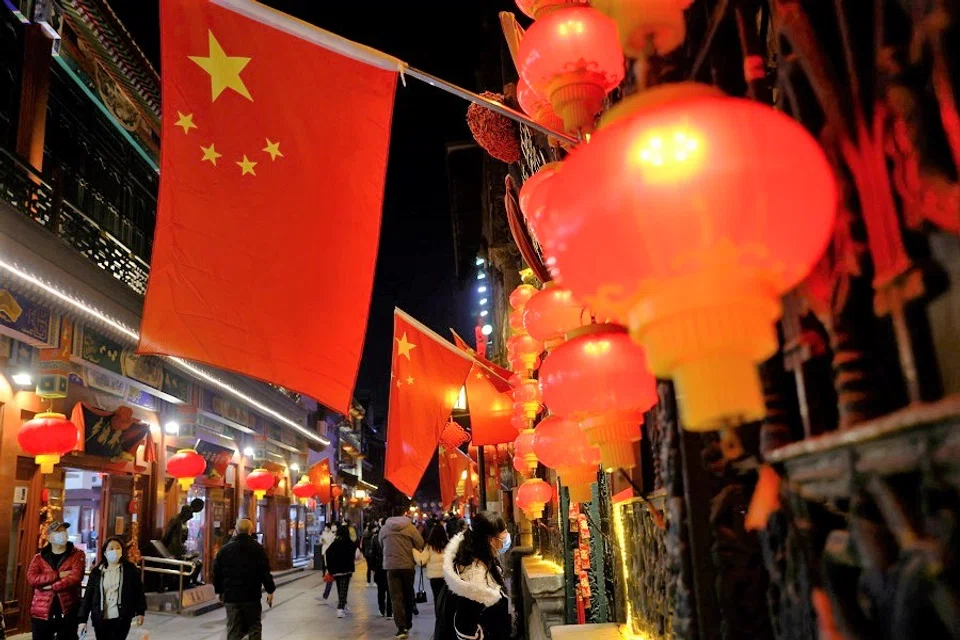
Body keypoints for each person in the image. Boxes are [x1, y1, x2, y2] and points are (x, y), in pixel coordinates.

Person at [436, 512, 511, 640]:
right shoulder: (475, 578)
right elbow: (465, 628)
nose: (507, 537)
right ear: (491, 540)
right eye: (503, 534)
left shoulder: (479, 559)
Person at [213, 519, 276, 640]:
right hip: (251, 596)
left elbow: (217, 573)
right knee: (254, 627)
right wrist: (270, 591)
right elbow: (265, 572)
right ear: (250, 531)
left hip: (231, 597)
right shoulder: (258, 549)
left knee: (233, 628)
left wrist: (219, 591)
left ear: (236, 530)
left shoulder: (224, 550)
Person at [77, 537, 146, 640]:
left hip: (122, 618)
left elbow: (139, 592)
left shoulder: (130, 570)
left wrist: (140, 612)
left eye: (118, 548)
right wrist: (82, 620)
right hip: (100, 619)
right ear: (105, 553)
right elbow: (88, 597)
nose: (115, 551)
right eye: (111, 548)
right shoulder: (96, 573)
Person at [28, 521, 86, 640]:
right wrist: (58, 574)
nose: (63, 534)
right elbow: (32, 578)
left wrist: (50, 586)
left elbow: (75, 578)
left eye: (64, 531)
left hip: (68, 611)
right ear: (49, 537)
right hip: (42, 612)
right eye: (58, 532)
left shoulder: (77, 555)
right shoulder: (39, 558)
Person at [379, 504, 424, 639]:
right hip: (407, 565)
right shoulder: (410, 527)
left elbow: (380, 544)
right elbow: (420, 543)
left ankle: (401, 627)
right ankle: (408, 622)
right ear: (404, 514)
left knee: (395, 597)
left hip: (391, 566)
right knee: (408, 594)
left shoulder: (384, 528)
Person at [323, 525, 356, 619]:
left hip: (336, 570)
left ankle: (343, 604)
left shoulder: (335, 543)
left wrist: (330, 568)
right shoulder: (349, 543)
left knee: (339, 588)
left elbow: (328, 553)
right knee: (344, 589)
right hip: (346, 570)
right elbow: (353, 553)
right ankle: (340, 608)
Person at [414, 525, 449, 603]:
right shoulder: (448, 545)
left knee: (437, 598)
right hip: (447, 576)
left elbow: (421, 561)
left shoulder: (429, 547)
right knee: (446, 600)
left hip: (434, 577)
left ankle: (438, 614)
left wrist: (414, 551)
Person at [368, 526, 392, 618]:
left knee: (381, 590)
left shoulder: (375, 538)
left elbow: (372, 555)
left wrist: (373, 568)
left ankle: (382, 610)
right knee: (390, 590)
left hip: (379, 567)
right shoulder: (391, 537)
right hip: (389, 566)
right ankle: (390, 612)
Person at [319, 523, 337, 601]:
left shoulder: (333, 536)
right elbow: (321, 541)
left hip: (336, 565)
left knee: (337, 582)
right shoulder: (323, 534)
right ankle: (325, 595)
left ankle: (342, 601)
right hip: (327, 553)